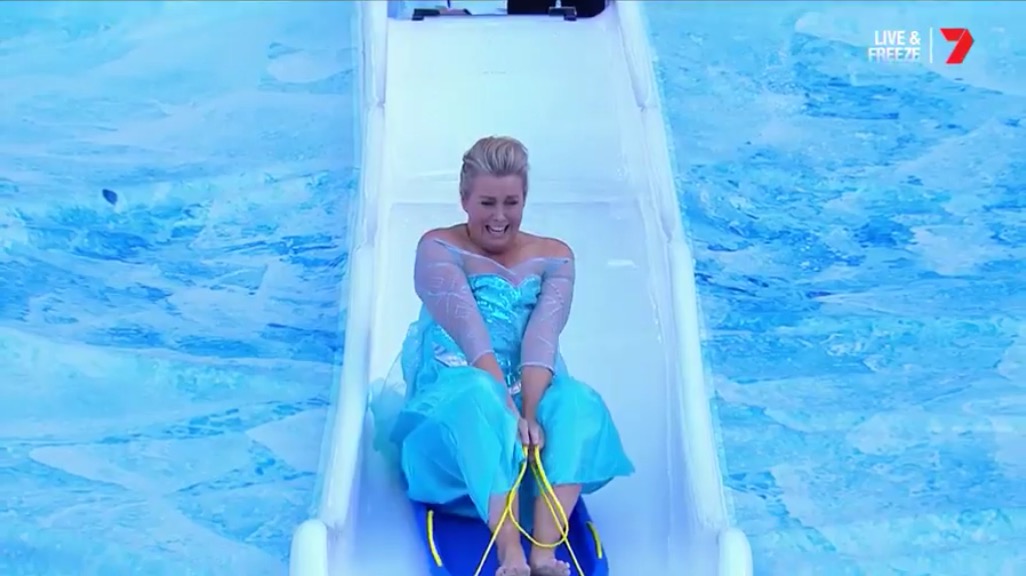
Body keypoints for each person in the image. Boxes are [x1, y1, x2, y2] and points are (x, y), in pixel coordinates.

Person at [373, 136, 634, 576]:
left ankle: (544, 552)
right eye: (487, 203)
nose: (499, 216)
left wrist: (529, 415)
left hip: (527, 436)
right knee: (479, 396)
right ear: (464, 199)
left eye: (511, 202)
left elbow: (541, 339)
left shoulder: (555, 257)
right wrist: (507, 412)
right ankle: (510, 552)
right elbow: (471, 335)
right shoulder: (438, 248)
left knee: (578, 401)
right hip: (452, 426)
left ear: (524, 199)